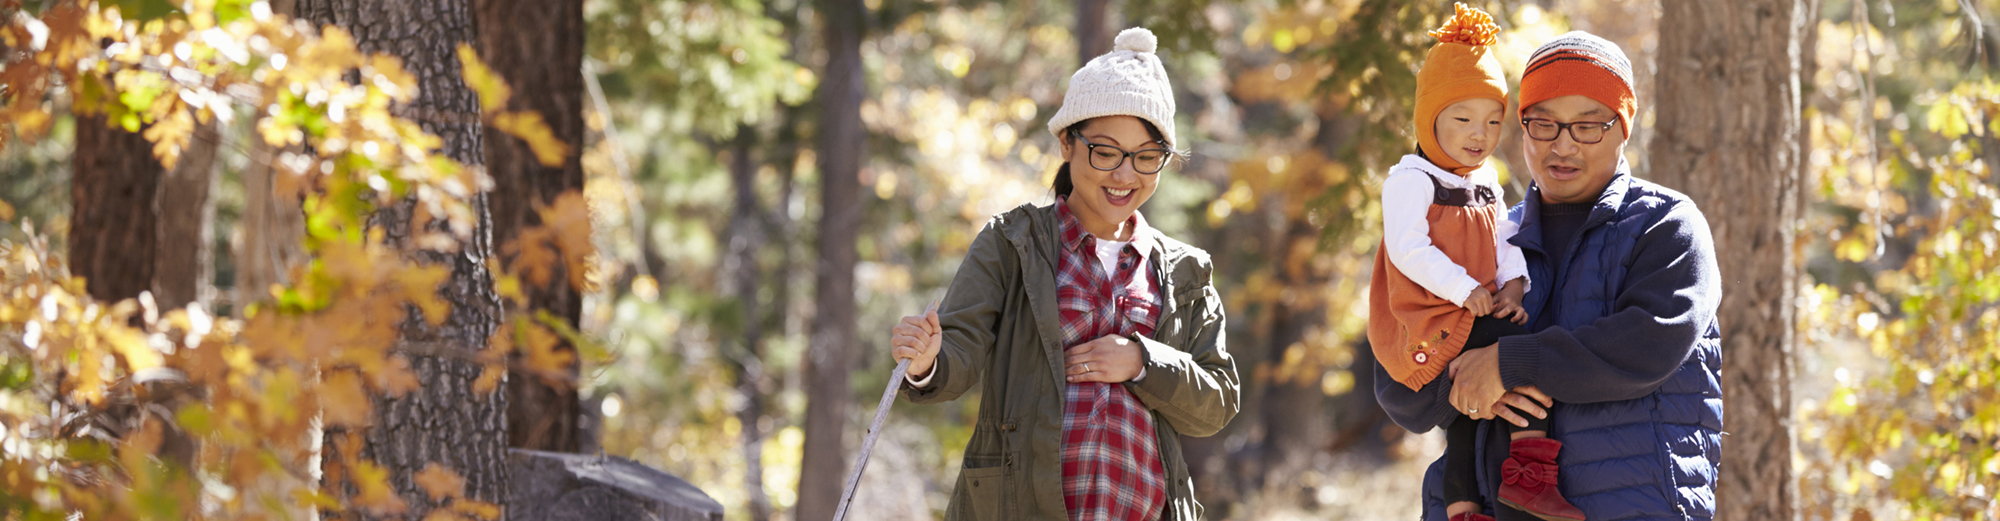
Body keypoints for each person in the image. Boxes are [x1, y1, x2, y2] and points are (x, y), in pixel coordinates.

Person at [887, 27, 1239, 521]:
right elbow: (957, 354)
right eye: (1106, 151)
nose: (1125, 175)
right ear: (1067, 144)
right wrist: (928, 360)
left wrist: (1141, 362)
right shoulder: (1013, 242)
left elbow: (1218, 401)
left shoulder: (1184, 271)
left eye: (1146, 157)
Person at [1374, 30, 1724, 521]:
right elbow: (1400, 393)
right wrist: (1461, 377)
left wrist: (1506, 363)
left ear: (1622, 127)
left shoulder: (1665, 224)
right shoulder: (1487, 235)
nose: (1563, 145)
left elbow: (1648, 344)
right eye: (1543, 124)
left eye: (1588, 126)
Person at [1367, 5, 1582, 521]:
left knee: (1470, 406)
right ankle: (1530, 470)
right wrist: (1465, 289)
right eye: (1462, 119)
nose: (1478, 134)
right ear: (1429, 118)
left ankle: (1462, 507)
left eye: (1491, 121)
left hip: (1475, 305)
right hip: (1428, 316)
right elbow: (1407, 249)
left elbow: (1503, 234)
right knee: (1519, 354)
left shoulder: (1483, 180)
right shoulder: (1411, 180)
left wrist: (1513, 282)